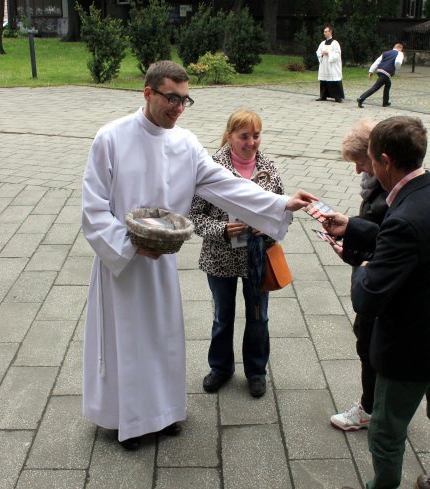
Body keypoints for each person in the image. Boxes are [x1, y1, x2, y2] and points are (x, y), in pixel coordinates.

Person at [81, 60, 317, 451]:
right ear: (148, 93)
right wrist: (130, 245)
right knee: (128, 340)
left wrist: (280, 203)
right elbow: (92, 209)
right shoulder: (110, 138)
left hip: (161, 265)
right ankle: (128, 419)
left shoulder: (185, 143)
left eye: (184, 99)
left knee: (163, 339)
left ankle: (164, 413)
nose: (178, 107)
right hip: (121, 264)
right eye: (171, 98)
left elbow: (224, 185)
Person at [325, 116, 430, 489]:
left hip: (411, 348)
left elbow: (368, 297)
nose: (370, 167)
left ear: (386, 161)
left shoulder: (404, 216)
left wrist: (362, 264)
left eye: (372, 160)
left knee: (387, 433)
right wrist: (354, 225)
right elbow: (412, 242)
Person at [188, 109, 282, 399]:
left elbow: (280, 210)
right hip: (220, 256)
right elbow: (193, 216)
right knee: (222, 316)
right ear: (229, 136)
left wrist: (265, 228)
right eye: (244, 136)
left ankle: (256, 371)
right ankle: (221, 368)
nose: (251, 142)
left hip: (257, 256)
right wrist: (222, 230)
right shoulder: (211, 167)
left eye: (256, 135)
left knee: (258, 317)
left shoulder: (268, 167)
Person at [327, 119, 388, 432]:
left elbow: (389, 239)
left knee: (369, 345)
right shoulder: (377, 187)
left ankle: (370, 408)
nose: (358, 170)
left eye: (361, 162)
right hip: (368, 280)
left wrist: (352, 230)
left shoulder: (391, 193)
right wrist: (348, 242)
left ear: (379, 157)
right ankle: (380, 404)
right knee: (366, 341)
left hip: (378, 289)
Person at [357, 43, 404, 108]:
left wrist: (371, 71)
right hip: (386, 72)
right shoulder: (400, 53)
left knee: (388, 84)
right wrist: (396, 69)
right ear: (400, 48)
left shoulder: (386, 53)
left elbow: (377, 62)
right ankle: (361, 98)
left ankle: (385, 102)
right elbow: (398, 62)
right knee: (375, 87)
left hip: (379, 71)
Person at [315, 26, 344, 103]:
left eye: (326, 31)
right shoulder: (322, 43)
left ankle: (337, 97)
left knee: (334, 80)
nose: (324, 33)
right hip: (324, 64)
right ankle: (323, 96)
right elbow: (318, 52)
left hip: (332, 65)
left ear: (330, 32)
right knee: (324, 80)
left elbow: (337, 54)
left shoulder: (335, 43)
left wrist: (328, 53)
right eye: (324, 31)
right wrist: (321, 53)